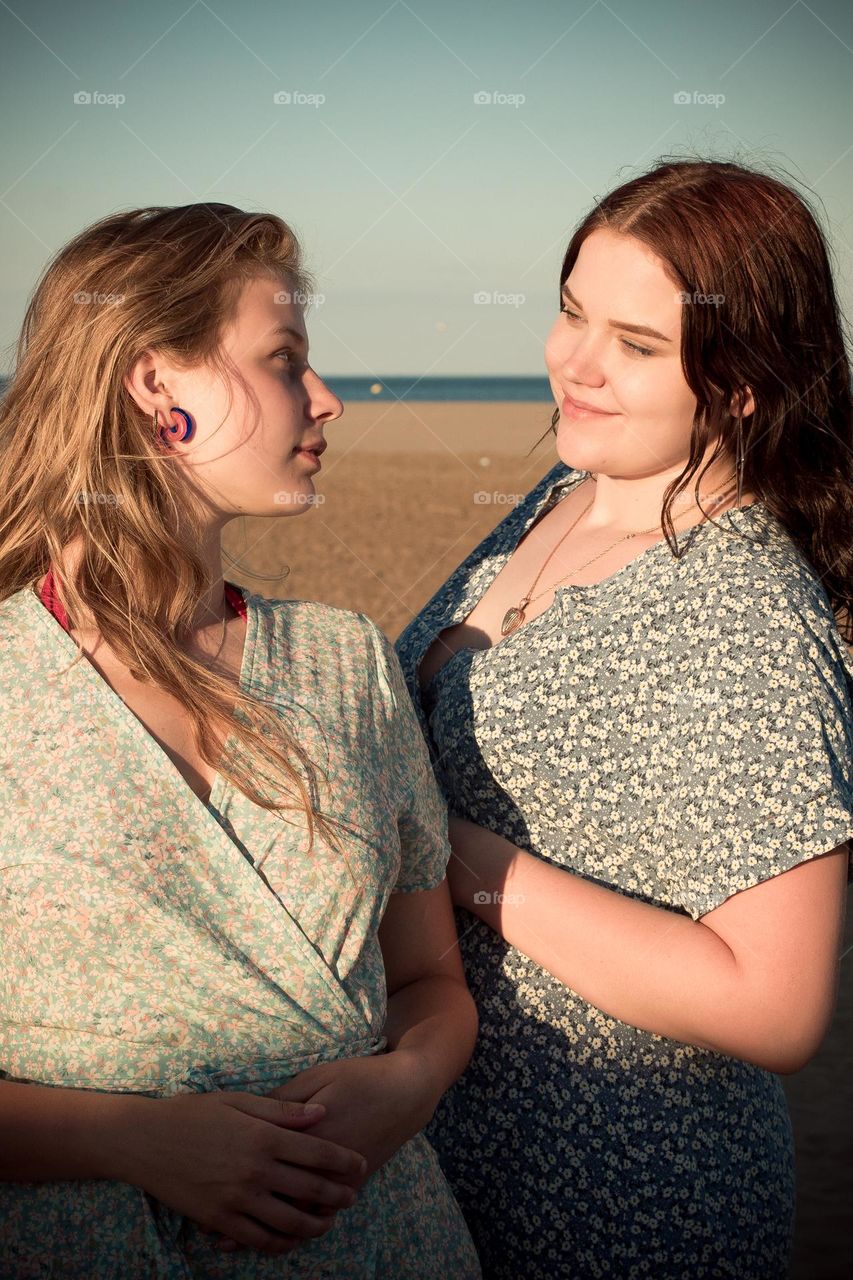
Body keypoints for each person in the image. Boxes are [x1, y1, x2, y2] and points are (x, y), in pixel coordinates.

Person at [0, 203, 482, 1279]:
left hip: (384, 1240)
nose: (327, 400)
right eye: (283, 359)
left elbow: (431, 983)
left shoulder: (344, 660)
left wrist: (406, 1086)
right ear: (154, 384)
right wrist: (127, 1139)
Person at [394, 158, 853, 1280]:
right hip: (459, 1147)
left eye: (635, 345)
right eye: (569, 312)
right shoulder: (560, 492)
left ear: (742, 382)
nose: (574, 362)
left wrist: (461, 859)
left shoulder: (746, 607)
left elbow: (776, 1001)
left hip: (618, 1188)